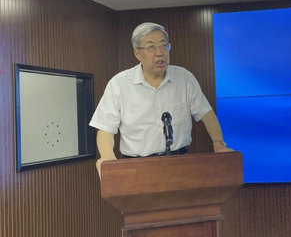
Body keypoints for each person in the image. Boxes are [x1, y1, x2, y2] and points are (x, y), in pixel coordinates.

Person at [89, 22, 231, 177]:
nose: (160, 53)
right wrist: (107, 157)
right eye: (151, 47)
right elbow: (105, 128)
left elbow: (206, 113)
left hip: (180, 163)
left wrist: (219, 144)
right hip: (136, 167)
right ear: (137, 53)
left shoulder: (184, 78)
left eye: (164, 46)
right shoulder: (119, 83)